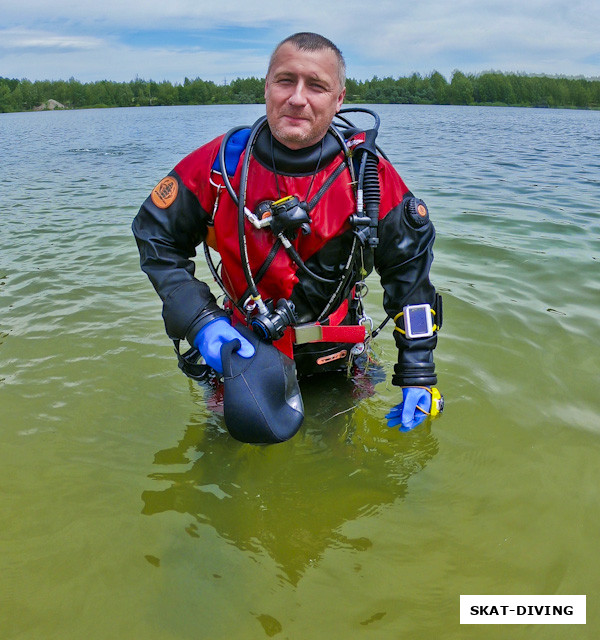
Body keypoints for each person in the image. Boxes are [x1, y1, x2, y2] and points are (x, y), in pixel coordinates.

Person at [132, 32, 443, 435]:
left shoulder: (367, 178)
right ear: (266, 87)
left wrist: (418, 372)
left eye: (317, 86)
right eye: (285, 80)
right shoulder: (221, 164)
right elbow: (154, 235)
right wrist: (200, 320)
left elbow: (411, 278)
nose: (298, 97)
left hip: (336, 357)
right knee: (225, 464)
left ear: (339, 98)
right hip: (242, 349)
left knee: (337, 468)